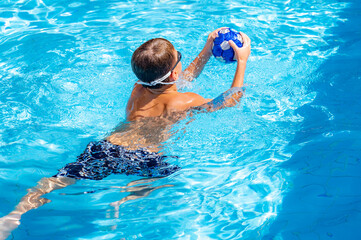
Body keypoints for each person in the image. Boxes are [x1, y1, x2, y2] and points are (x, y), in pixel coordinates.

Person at [0, 28, 251, 239]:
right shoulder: (184, 102)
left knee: (60, 178)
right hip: (145, 157)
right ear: (174, 72)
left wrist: (207, 51)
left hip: (107, 147)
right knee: (157, 176)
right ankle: (124, 199)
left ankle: (16, 213)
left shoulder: (138, 89)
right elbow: (231, 100)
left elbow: (176, 78)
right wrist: (242, 61)